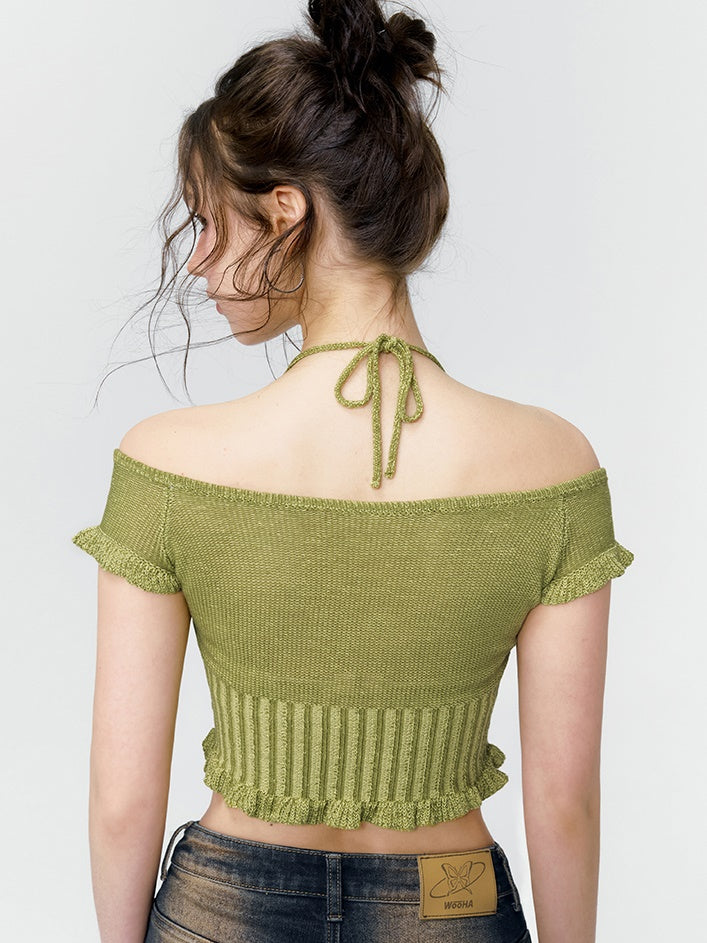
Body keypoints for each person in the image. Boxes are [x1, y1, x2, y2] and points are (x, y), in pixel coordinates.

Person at [71, 1, 635, 941]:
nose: (199, 262)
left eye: (209, 222)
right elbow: (564, 802)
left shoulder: (166, 462)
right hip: (448, 901)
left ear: (284, 209)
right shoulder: (552, 464)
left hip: (225, 906)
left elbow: (122, 798)